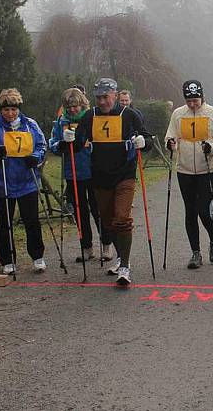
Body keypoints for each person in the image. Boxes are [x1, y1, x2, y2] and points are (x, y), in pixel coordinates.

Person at [64, 78, 152, 286]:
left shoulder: (128, 115)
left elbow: (148, 139)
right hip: (100, 176)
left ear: (114, 94)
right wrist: (68, 139)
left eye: (106, 97)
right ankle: (121, 256)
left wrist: (143, 142)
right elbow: (77, 144)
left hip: (125, 174)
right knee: (108, 221)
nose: (102, 102)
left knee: (122, 217)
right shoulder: (89, 116)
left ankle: (125, 266)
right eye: (98, 98)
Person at [165, 80, 213, 268]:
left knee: (203, 210)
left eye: (196, 100)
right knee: (190, 211)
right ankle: (195, 253)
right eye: (189, 101)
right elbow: (170, 135)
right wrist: (171, 144)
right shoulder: (178, 114)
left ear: (202, 97)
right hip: (185, 170)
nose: (192, 104)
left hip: (208, 168)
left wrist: (212, 147)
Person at [0, 88, 48, 274]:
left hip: (26, 180)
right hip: (2, 182)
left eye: (13, 109)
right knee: (5, 222)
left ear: (18, 108)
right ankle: (7, 259)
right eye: (6, 110)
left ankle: (37, 256)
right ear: (1, 110)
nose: (10, 114)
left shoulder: (30, 124)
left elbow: (41, 145)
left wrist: (35, 157)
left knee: (32, 220)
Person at [49, 87, 109, 263]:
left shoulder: (92, 118)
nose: (73, 110)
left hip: (93, 170)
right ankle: (87, 247)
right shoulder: (61, 121)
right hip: (73, 172)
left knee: (98, 210)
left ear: (82, 104)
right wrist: (61, 145)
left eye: (75, 106)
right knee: (79, 211)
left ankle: (106, 245)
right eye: (69, 107)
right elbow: (52, 143)